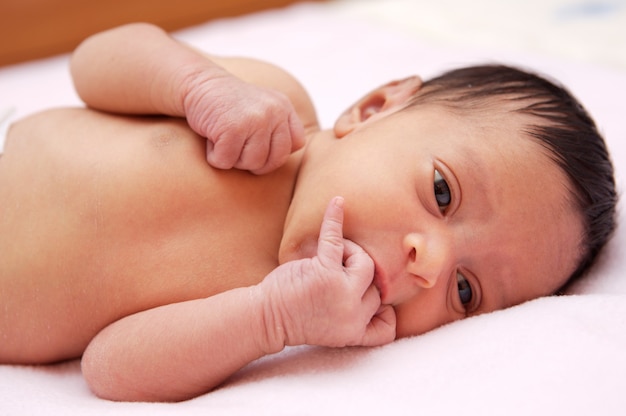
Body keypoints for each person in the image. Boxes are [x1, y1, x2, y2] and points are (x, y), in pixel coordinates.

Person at [0, 23, 616, 402]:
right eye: (443, 192)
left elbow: (110, 369)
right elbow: (96, 61)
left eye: (465, 289)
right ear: (374, 109)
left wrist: (268, 319)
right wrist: (194, 86)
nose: (428, 264)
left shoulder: (259, 303)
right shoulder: (270, 106)